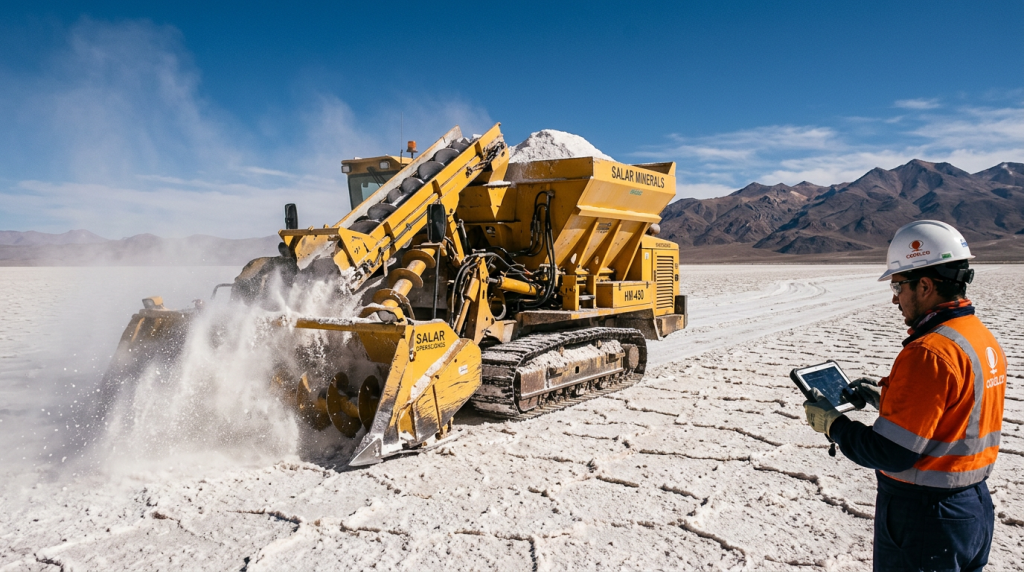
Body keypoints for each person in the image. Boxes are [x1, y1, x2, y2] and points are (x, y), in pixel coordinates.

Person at [803, 220, 1007, 571]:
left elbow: (890, 452)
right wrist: (886, 400)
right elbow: (954, 411)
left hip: (926, 518)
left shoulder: (930, 352)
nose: (894, 298)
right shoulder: (977, 336)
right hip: (972, 508)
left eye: (898, 286)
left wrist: (834, 425)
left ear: (925, 285)